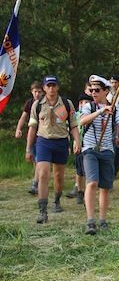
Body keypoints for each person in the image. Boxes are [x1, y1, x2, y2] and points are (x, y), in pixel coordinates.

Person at [80, 75, 119, 234]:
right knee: (92, 183)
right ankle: (90, 221)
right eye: (91, 90)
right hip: (90, 149)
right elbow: (82, 121)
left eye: (97, 90)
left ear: (105, 91)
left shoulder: (114, 109)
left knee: (105, 187)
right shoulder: (90, 107)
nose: (93, 93)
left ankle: (102, 220)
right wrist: (102, 111)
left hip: (107, 151)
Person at [26, 76, 80, 223]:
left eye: (53, 85)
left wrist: (77, 141)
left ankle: (57, 200)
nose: (51, 88)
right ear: (44, 88)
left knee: (58, 176)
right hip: (43, 141)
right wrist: (28, 149)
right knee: (43, 173)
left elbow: (74, 124)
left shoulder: (66, 104)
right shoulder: (37, 105)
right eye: (48, 86)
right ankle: (42, 210)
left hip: (61, 142)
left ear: (57, 87)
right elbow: (32, 127)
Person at [15, 81, 44, 195]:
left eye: (39, 92)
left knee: (38, 161)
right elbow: (23, 117)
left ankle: (35, 184)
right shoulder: (29, 103)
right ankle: (39, 179)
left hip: (43, 134)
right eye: (35, 91)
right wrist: (18, 129)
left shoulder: (45, 102)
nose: (37, 94)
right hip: (32, 134)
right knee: (34, 159)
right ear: (32, 92)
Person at [67, 93, 94, 205]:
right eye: (82, 102)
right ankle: (80, 191)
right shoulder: (76, 115)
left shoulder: (92, 115)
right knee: (79, 171)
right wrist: (73, 142)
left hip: (89, 144)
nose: (84, 104)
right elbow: (72, 129)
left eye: (87, 102)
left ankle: (87, 193)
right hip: (79, 144)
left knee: (88, 171)